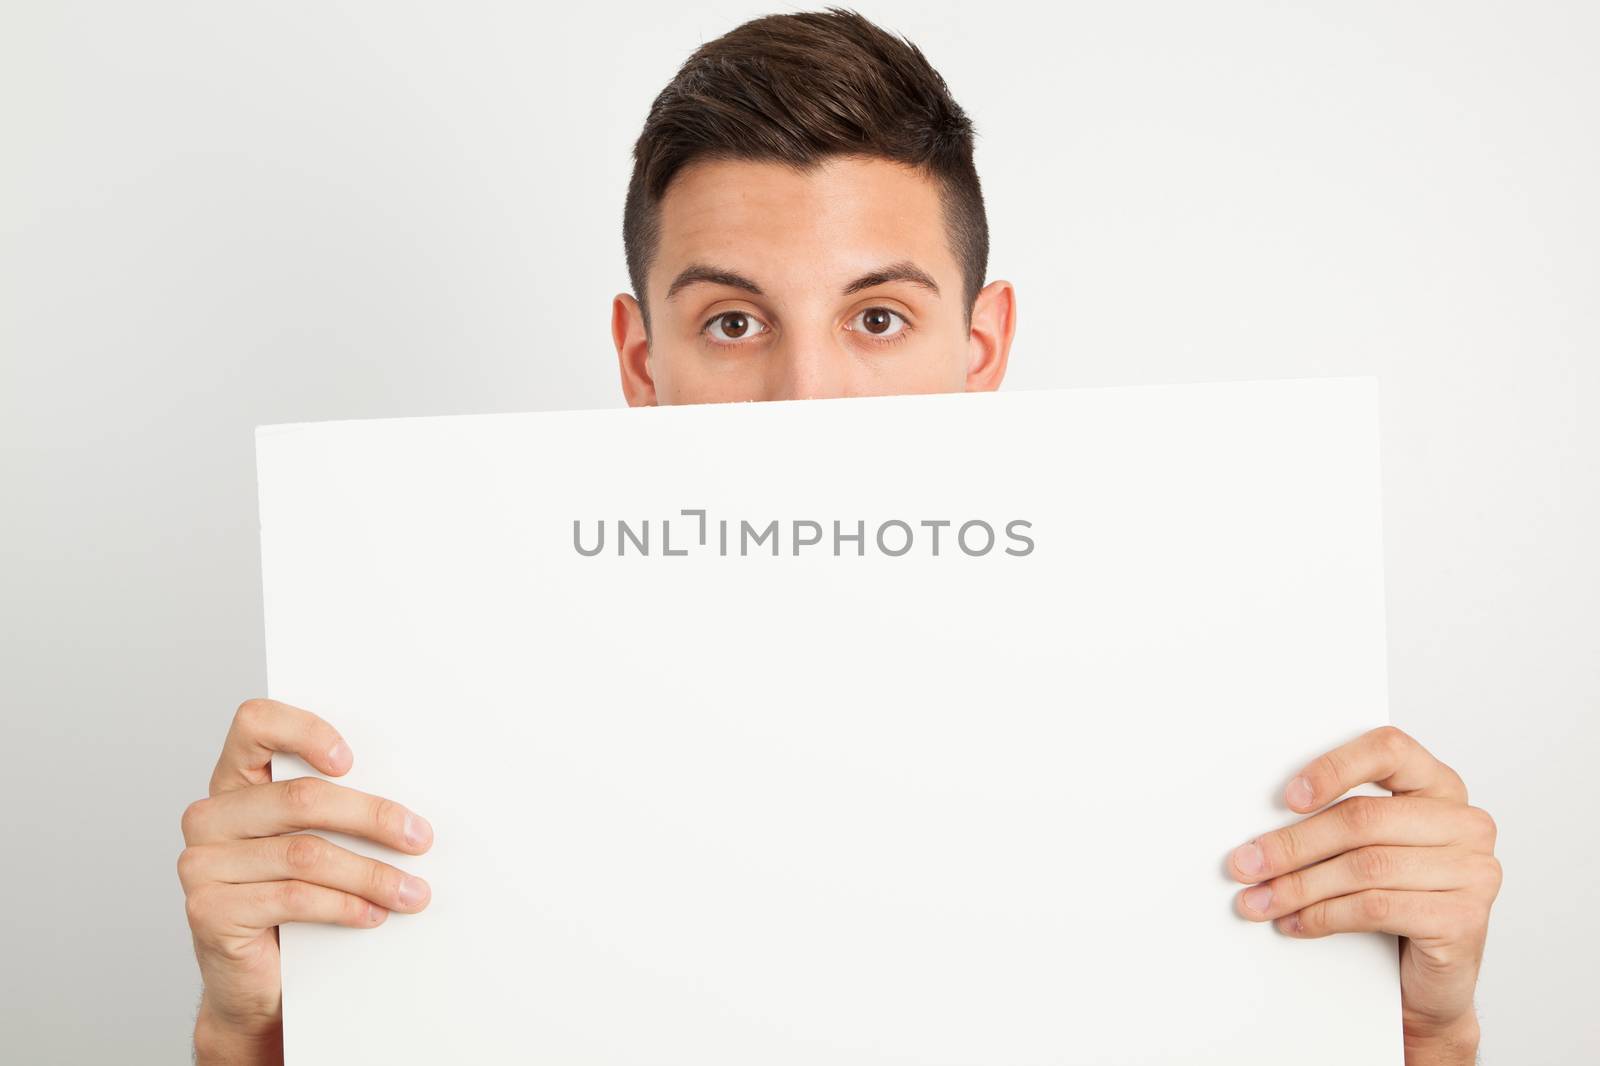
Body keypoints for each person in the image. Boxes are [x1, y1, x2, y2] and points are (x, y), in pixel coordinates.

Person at [178, 8, 1500, 1064]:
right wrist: (251, 1035)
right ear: (643, 360)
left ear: (980, 349)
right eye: (735, 322)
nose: (807, 401)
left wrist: (1427, 1037)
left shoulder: (1193, 700)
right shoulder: (450, 729)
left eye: (876, 319)